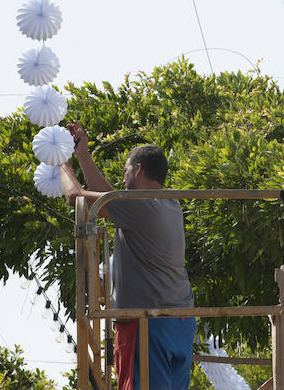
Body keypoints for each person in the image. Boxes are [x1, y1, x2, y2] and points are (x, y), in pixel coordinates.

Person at [60, 121, 196, 390]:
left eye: (125, 173)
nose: (122, 180)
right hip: (179, 321)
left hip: (147, 324)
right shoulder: (169, 203)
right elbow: (109, 198)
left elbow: (75, 197)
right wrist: (82, 155)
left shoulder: (138, 206)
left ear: (138, 170)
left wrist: (61, 162)